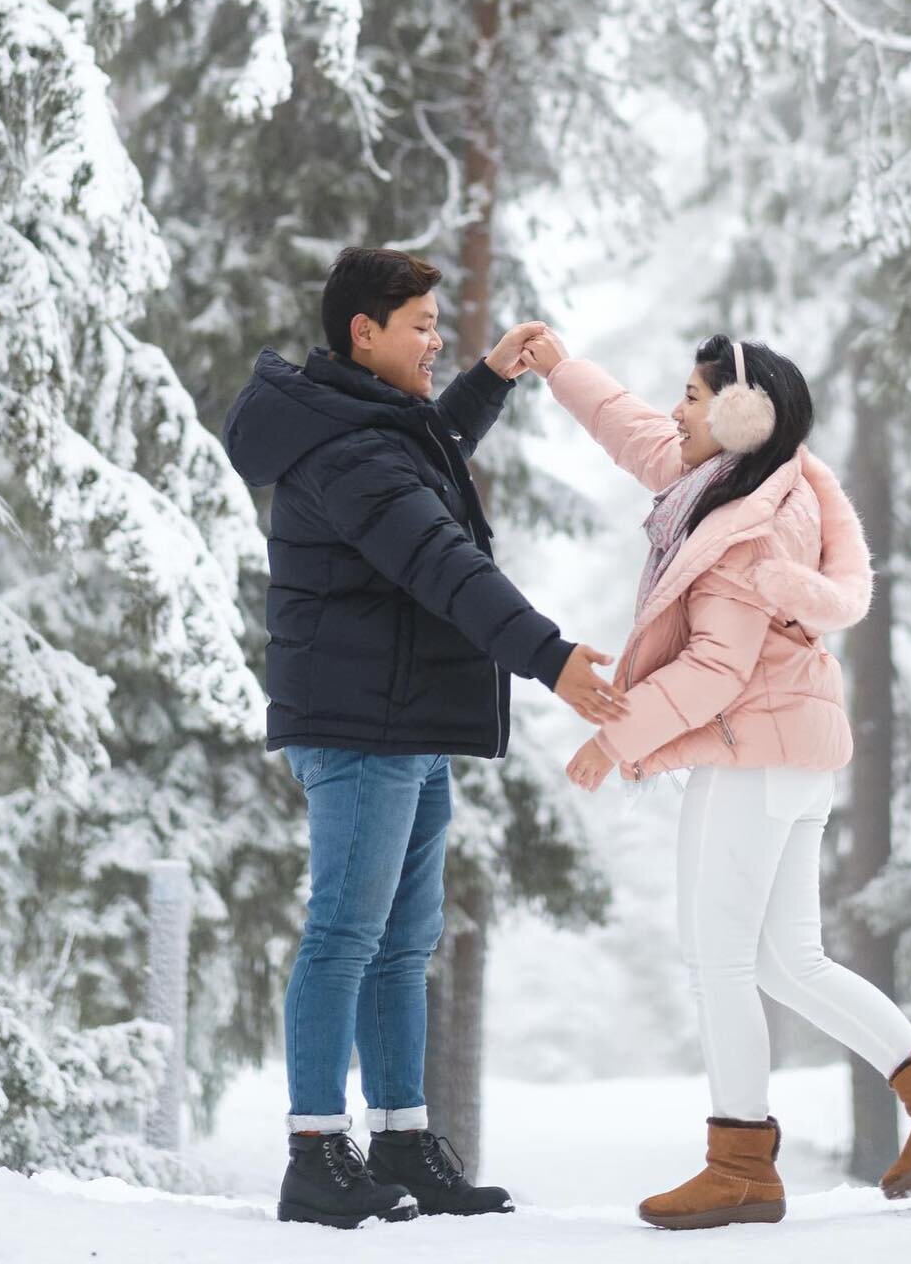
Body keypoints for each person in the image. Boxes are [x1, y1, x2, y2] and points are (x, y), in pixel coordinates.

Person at [520, 328, 911, 1229]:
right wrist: (558, 368)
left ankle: (740, 1161)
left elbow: (713, 669)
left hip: (750, 754)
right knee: (789, 960)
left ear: (743, 416)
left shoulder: (747, 528)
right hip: (787, 759)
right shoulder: (728, 480)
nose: (678, 410)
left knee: (720, 961)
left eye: (696, 398)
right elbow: (636, 431)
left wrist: (615, 740)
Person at [222, 246, 626, 1230]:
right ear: (364, 332)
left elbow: (429, 453)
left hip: (398, 718)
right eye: (421, 329)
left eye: (438, 327)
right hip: (364, 725)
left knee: (403, 948)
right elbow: (440, 558)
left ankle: (402, 1139)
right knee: (345, 939)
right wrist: (551, 656)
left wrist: (490, 377)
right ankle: (317, 1152)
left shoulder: (362, 425)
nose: (435, 342)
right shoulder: (350, 451)